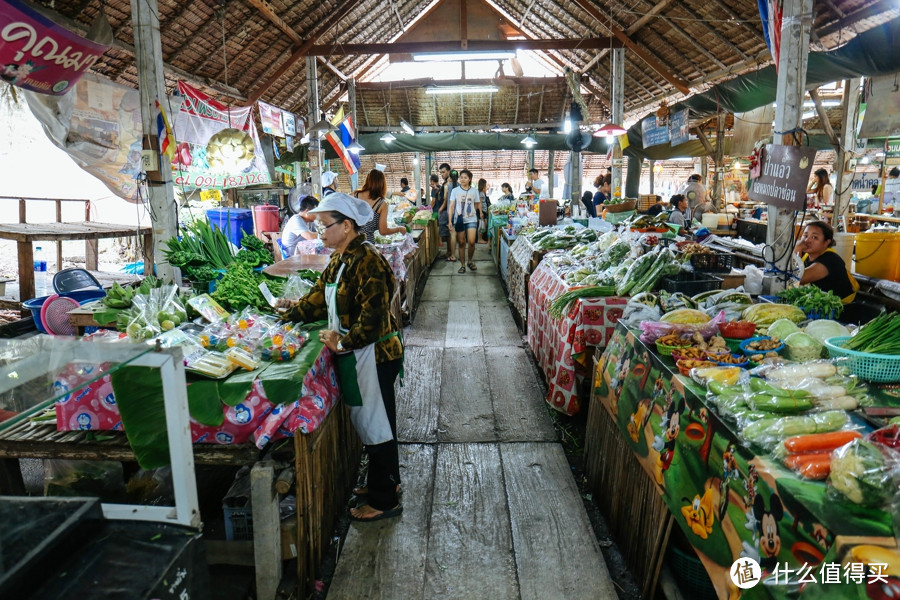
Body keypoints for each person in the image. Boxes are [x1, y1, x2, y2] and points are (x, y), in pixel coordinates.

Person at [279, 193, 403, 522]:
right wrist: (291, 313)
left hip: (374, 354)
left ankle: (385, 500)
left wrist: (345, 341)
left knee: (378, 427)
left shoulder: (368, 260)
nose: (320, 230)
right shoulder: (340, 258)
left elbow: (373, 318)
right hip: (357, 353)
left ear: (346, 226)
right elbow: (319, 296)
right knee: (373, 423)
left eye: (325, 224)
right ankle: (386, 483)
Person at [794, 220, 859, 303]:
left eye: (814, 237)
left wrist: (796, 249)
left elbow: (796, 278)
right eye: (805, 235)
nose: (807, 241)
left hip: (842, 308)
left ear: (826, 242)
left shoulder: (830, 260)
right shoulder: (807, 255)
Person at [354, 169, 405, 243]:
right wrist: (399, 229)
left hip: (349, 245)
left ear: (367, 180)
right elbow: (383, 231)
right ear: (382, 184)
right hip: (367, 246)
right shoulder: (381, 204)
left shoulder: (353, 196)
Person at [449, 169, 480, 273]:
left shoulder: (474, 191)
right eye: (461, 177)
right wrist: (450, 221)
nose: (462, 179)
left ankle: (470, 261)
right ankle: (462, 265)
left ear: (470, 179)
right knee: (461, 242)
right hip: (459, 220)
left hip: (471, 219)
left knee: (471, 242)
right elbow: (452, 206)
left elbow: (476, 205)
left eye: (465, 177)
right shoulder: (455, 191)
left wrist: (469, 213)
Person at [436, 163, 458, 262]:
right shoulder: (448, 183)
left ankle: (451, 253)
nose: (442, 174)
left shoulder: (449, 183)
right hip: (448, 211)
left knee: (450, 233)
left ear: (449, 171)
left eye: (443, 172)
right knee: (449, 234)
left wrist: (441, 209)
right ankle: (449, 252)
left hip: (446, 211)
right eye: (440, 172)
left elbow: (446, 199)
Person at [477, 178, 490, 243]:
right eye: (486, 184)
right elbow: (480, 203)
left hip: (483, 210)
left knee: (483, 224)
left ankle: (480, 238)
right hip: (482, 211)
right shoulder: (481, 193)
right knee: (481, 225)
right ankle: (480, 239)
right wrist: (481, 212)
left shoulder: (481, 192)